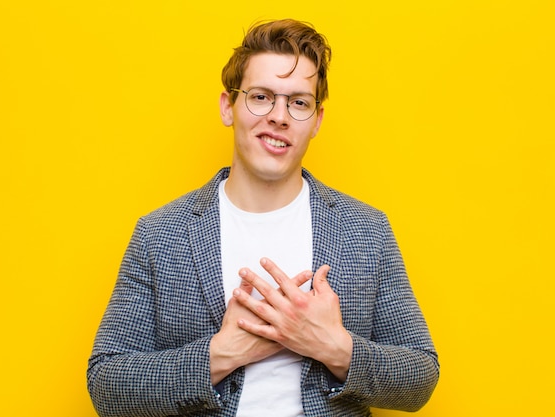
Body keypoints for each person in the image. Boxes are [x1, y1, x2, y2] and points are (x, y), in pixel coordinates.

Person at [87, 18, 439, 417]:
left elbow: (420, 376)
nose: (279, 116)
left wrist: (333, 346)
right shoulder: (160, 234)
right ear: (228, 106)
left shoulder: (366, 230)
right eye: (261, 97)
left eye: (299, 102)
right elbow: (107, 383)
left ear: (317, 121)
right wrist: (220, 355)